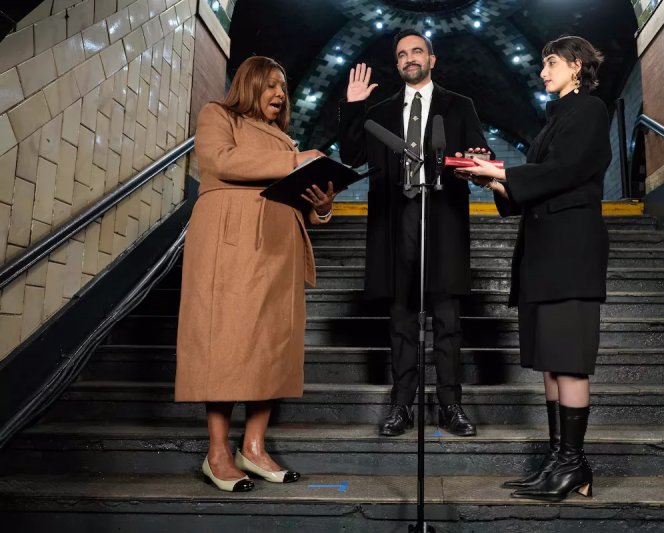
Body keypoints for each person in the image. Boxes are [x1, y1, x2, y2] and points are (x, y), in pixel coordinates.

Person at [458, 35, 611, 501]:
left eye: (551, 63)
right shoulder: (553, 121)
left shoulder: (590, 110)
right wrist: (491, 179)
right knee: (549, 362)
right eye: (543, 65)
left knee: (568, 361)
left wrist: (502, 172)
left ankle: (573, 463)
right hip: (543, 254)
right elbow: (535, 188)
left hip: (570, 253)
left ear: (577, 66)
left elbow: (565, 172)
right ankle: (559, 461)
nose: (543, 72)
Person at [175, 56, 336, 492]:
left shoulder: (285, 139)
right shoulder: (218, 115)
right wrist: (298, 160)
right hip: (231, 243)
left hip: (279, 246)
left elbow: (298, 195)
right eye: (270, 85)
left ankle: (254, 447)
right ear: (249, 84)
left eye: (283, 87)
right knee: (225, 341)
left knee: (271, 344)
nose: (280, 94)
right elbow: (221, 161)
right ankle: (217, 453)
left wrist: (321, 206)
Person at [338, 29, 491, 437]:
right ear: (397, 64)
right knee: (402, 317)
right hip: (396, 218)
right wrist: (353, 107)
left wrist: (477, 160)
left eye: (417, 51)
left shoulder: (460, 105)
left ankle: (450, 405)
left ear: (431, 59)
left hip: (443, 217)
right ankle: (401, 405)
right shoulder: (380, 112)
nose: (410, 58)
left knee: (447, 318)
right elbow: (351, 155)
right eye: (403, 54)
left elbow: (479, 155)